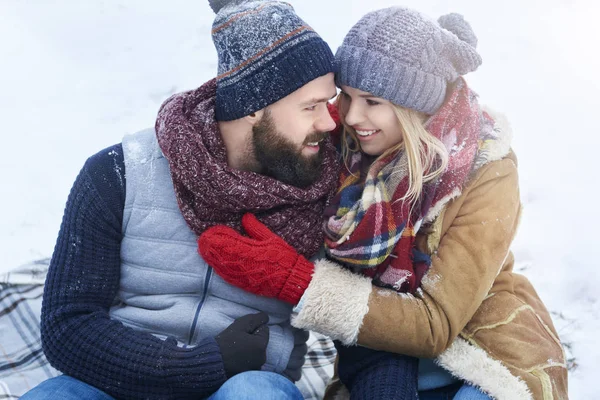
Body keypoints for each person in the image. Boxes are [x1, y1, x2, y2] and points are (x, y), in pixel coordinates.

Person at [199, 7, 569, 400]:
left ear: (416, 106)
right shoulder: (344, 143)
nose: (352, 115)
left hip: (483, 359)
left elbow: (434, 324)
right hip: (378, 366)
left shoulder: (486, 170)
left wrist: (301, 281)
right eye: (348, 96)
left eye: (372, 101)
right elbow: (274, 112)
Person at [20, 1, 340, 399]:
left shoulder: (332, 192)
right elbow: (68, 326)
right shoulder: (121, 172)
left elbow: (366, 319)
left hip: (244, 383)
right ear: (254, 109)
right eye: (311, 106)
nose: (329, 122)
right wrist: (198, 365)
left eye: (329, 102)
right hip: (118, 380)